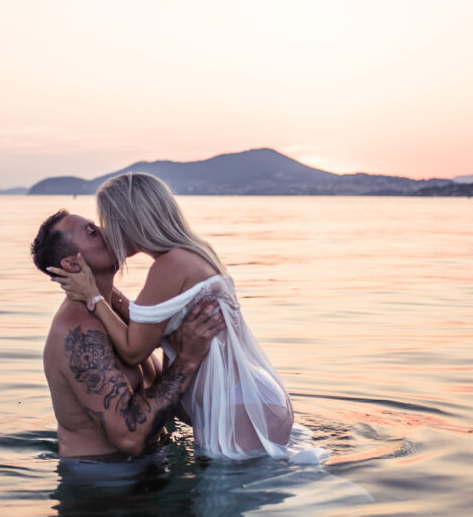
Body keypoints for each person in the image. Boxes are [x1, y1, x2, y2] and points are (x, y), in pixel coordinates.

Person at [47, 173, 295, 460]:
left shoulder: (168, 267)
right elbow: (145, 328)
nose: (106, 232)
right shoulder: (193, 253)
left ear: (129, 220)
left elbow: (133, 349)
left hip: (236, 408)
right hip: (249, 397)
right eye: (94, 230)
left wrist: (94, 295)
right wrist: (102, 292)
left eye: (107, 222)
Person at [30, 209, 225, 460]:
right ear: (72, 264)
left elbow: (172, 401)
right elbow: (130, 437)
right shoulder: (79, 332)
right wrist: (187, 359)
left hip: (151, 465)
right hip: (104, 477)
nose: (107, 231)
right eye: (92, 232)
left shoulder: (112, 315)